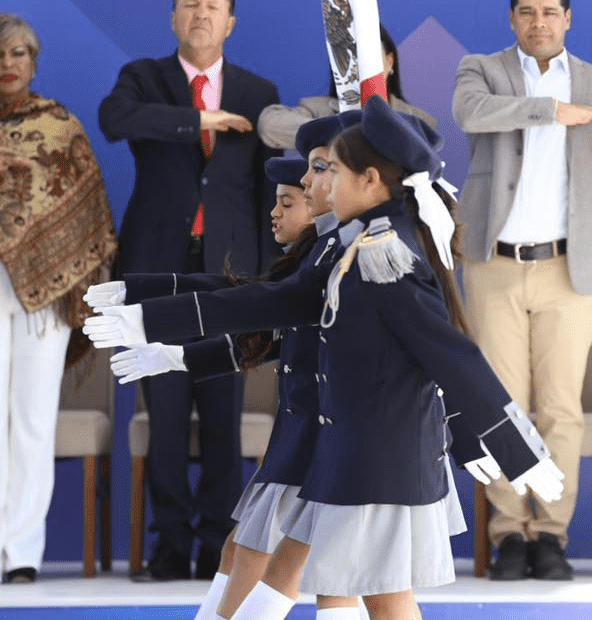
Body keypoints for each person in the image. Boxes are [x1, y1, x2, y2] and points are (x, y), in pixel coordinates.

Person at [86, 98, 563, 620]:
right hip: (352, 455)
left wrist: (513, 444)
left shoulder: (387, 253)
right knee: (359, 592)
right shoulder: (355, 246)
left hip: (380, 459)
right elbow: (271, 302)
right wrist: (150, 314)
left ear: (372, 180)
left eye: (332, 169)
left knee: (361, 593)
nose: (319, 184)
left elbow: (449, 356)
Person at [98, 0, 280, 581]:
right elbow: (117, 120)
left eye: (213, 7)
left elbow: (262, 191)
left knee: (223, 414)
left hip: (229, 275)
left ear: (231, 22)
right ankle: (170, 542)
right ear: (173, 18)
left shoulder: (258, 90)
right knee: (167, 412)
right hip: (158, 273)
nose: (201, 15)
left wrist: (263, 276)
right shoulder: (143, 80)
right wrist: (201, 122)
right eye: (190, 5)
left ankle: (219, 544)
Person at [451, 0, 592, 581]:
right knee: (501, 406)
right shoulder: (483, 70)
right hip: (494, 263)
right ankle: (508, 532)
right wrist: (554, 110)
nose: (539, 22)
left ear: (568, 18)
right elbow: (472, 115)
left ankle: (550, 532)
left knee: (560, 408)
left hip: (568, 267)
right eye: (527, 12)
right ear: (512, 18)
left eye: (550, 12)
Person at [0, 14, 117, 584]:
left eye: (20, 52)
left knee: (32, 420)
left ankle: (20, 552)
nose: (9, 63)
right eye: (1, 52)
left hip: (46, 291)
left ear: (33, 61)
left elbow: (87, 206)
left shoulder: (57, 125)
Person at [255, 24, 437, 152]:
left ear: (389, 62)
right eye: (349, 58)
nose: (360, 67)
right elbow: (269, 125)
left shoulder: (418, 120)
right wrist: (341, 129)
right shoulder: (318, 109)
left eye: (368, 57)